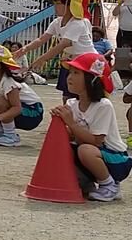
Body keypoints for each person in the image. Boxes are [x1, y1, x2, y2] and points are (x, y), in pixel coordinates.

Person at [51, 53, 131, 202]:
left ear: (92, 79)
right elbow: (72, 136)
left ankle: (110, 185)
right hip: (92, 156)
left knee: (85, 149)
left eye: (76, 73)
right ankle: (86, 184)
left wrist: (71, 123)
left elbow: (96, 141)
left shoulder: (103, 106)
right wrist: (59, 122)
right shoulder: (71, 104)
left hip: (117, 161)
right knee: (65, 147)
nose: (69, 77)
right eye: (70, 72)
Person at [14, 0, 93, 103]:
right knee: (67, 97)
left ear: (70, 4)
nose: (55, 6)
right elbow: (41, 39)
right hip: (70, 62)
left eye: (58, 3)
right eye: (54, 2)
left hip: (86, 63)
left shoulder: (78, 23)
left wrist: (43, 59)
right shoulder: (57, 22)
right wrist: (24, 49)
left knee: (83, 96)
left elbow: (63, 44)